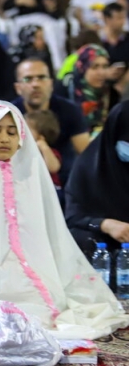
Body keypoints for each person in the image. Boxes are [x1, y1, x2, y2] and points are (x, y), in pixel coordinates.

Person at [0, 100, 128, 340]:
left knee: (40, 305)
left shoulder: (30, 173)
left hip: (31, 264)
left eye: (12, 132)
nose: (4, 139)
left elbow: (46, 230)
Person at [12, 57, 90, 184]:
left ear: (51, 84)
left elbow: (87, 155)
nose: (35, 84)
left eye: (42, 77)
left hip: (67, 183)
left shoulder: (70, 110)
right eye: (28, 79)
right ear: (18, 87)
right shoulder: (9, 115)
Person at [66, 103, 129, 258]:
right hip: (104, 249)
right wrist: (105, 224)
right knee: (81, 236)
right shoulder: (88, 167)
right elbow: (73, 217)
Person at [61, 44, 117, 134]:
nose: (101, 72)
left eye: (105, 66)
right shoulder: (65, 93)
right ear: (82, 68)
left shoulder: (112, 95)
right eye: (95, 67)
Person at [25, 109, 63, 189]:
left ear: (41, 136)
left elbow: (53, 168)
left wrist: (44, 147)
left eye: (27, 129)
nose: (23, 132)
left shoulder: (50, 152)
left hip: (50, 189)